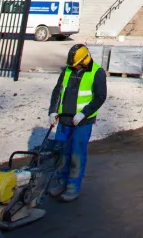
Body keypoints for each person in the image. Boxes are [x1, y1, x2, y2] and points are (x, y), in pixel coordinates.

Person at [47, 43, 106, 202]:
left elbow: (100, 97)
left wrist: (84, 113)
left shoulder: (97, 72)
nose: (74, 67)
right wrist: (53, 110)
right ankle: (61, 181)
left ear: (85, 60)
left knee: (76, 155)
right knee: (61, 153)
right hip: (64, 119)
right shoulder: (68, 70)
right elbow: (58, 90)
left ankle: (73, 187)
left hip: (82, 122)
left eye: (76, 64)